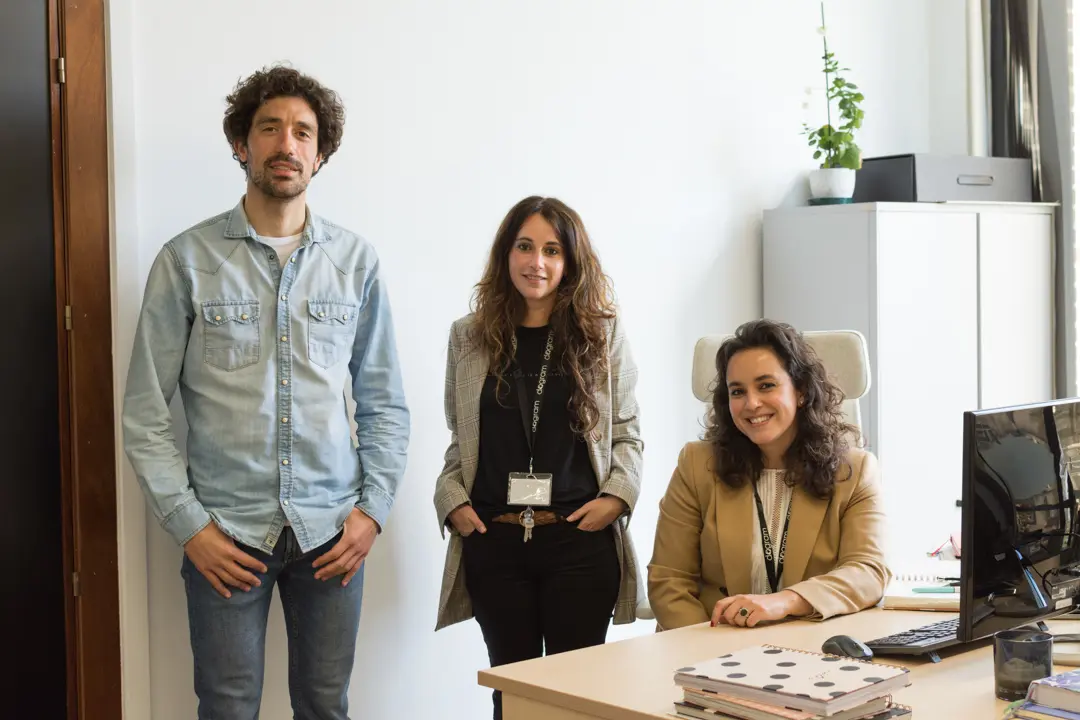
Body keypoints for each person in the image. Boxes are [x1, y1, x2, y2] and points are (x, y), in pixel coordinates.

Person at [121, 65, 410, 719]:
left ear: (321, 153)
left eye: (304, 132)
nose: (288, 144)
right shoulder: (185, 261)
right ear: (240, 145)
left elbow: (385, 403)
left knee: (325, 704)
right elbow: (144, 412)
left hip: (332, 532)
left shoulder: (355, 263)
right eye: (270, 128)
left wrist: (372, 513)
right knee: (226, 706)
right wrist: (189, 526)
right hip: (226, 531)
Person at [433, 196, 644, 719]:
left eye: (553, 250)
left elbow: (628, 434)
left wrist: (617, 499)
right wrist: (451, 501)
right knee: (515, 698)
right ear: (506, 254)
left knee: (578, 701)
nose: (538, 262)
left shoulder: (603, 331)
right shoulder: (469, 335)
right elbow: (460, 438)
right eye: (525, 247)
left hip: (579, 541)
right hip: (495, 543)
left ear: (571, 261)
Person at [647, 319, 888, 631]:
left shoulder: (854, 471)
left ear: (800, 391)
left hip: (810, 647)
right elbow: (669, 580)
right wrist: (712, 653)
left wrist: (785, 600)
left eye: (766, 386)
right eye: (737, 391)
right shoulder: (697, 464)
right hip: (711, 648)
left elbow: (869, 571)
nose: (752, 404)